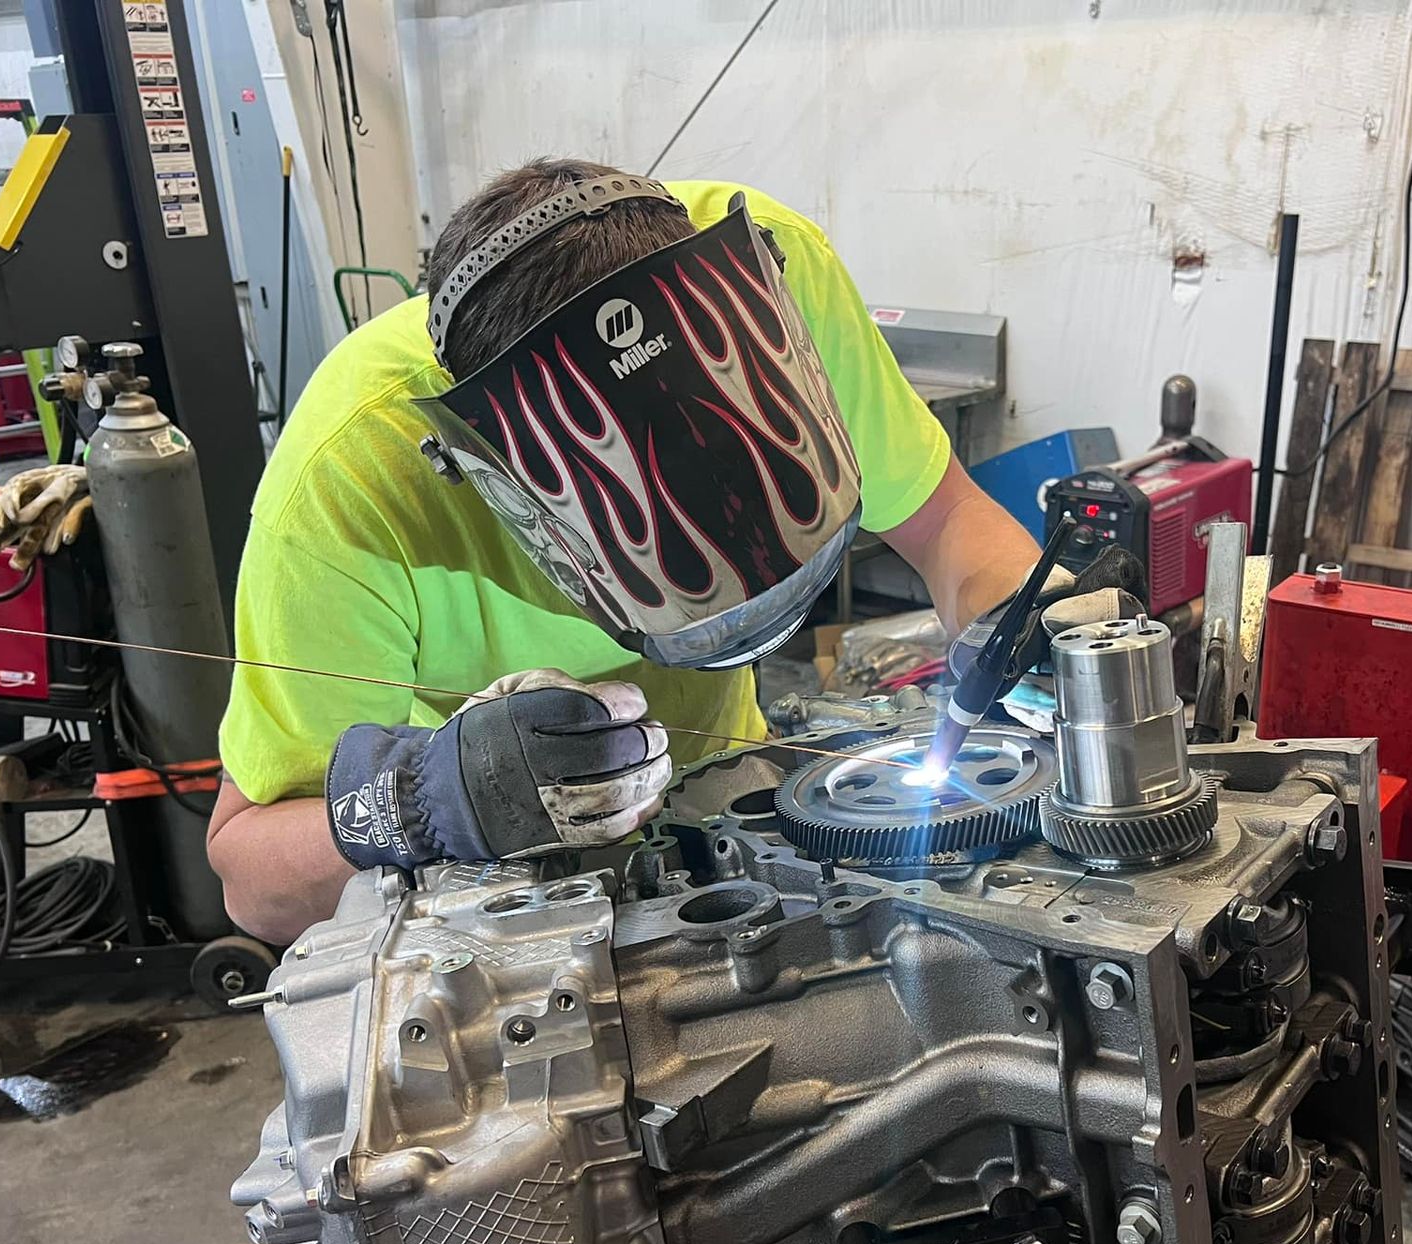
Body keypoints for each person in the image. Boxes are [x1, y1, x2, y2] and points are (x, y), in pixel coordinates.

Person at [207, 159, 1046, 943]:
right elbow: (251, 882)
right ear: (504, 488)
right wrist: (432, 803)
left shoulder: (762, 280)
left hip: (727, 811)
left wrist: (1030, 627)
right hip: (493, 917)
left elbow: (943, 527)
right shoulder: (349, 480)